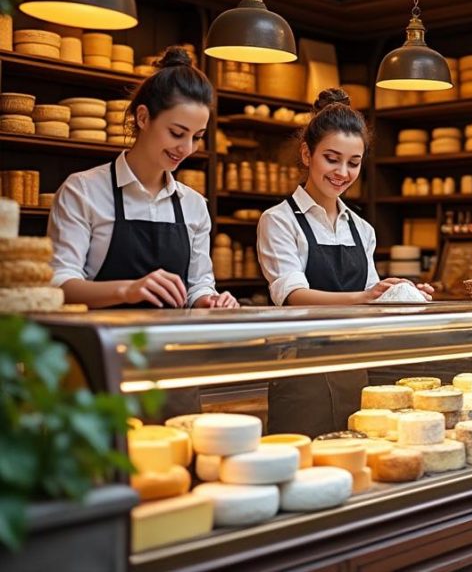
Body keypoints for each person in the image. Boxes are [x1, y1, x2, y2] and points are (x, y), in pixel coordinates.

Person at [257, 88, 433, 436]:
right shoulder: (278, 220)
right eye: (332, 159)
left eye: (353, 163)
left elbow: (372, 299)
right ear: (307, 154)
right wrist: (365, 297)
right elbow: (292, 295)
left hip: (355, 369)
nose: (342, 172)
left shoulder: (362, 229)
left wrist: (401, 294)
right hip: (300, 376)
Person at [48, 47, 237, 310]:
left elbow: (198, 286)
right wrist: (128, 289)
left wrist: (210, 300)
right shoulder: (83, 190)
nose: (186, 149)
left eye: (196, 137)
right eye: (176, 132)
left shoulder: (194, 205)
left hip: (170, 346)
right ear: (143, 117)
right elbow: (59, 284)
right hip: (100, 343)